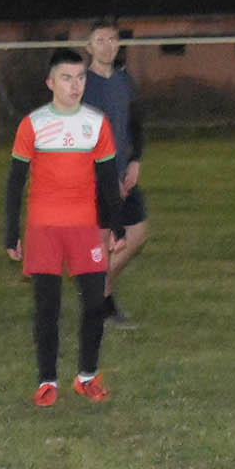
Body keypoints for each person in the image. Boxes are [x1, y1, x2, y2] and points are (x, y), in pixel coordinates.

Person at [4, 49, 128, 405]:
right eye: (66, 78)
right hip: (43, 229)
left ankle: (87, 376)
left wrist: (116, 225)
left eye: (80, 78)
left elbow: (108, 179)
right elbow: (15, 181)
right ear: (50, 82)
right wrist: (11, 231)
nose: (75, 86)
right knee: (48, 307)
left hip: (84, 228)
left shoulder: (96, 123)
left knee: (94, 304)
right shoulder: (33, 124)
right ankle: (47, 381)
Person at [83, 23, 148, 325]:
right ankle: (103, 306)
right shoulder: (81, 85)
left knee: (137, 235)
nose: (107, 45)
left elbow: (136, 125)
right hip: (94, 177)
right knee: (101, 244)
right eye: (100, 40)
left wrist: (135, 161)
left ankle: (97, 291)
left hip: (124, 173)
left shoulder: (124, 81)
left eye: (112, 39)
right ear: (89, 47)